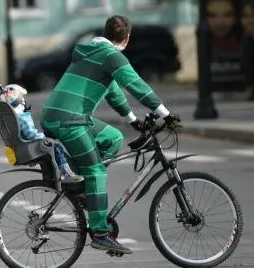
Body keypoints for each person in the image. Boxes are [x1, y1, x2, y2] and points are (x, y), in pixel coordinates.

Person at [40, 15, 180, 255]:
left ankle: (81, 189)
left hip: (60, 115)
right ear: (127, 38)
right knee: (95, 170)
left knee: (113, 138)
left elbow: (114, 92)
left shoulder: (92, 52)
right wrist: (164, 113)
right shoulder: (112, 56)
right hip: (70, 120)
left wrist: (132, 120)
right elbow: (135, 83)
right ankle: (101, 233)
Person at [0, 83, 83, 183]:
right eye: (23, 99)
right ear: (18, 101)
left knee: (51, 147)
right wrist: (43, 136)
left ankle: (55, 174)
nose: (25, 101)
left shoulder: (12, 117)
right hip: (30, 146)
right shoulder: (22, 118)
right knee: (57, 148)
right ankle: (66, 173)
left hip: (22, 146)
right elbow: (31, 134)